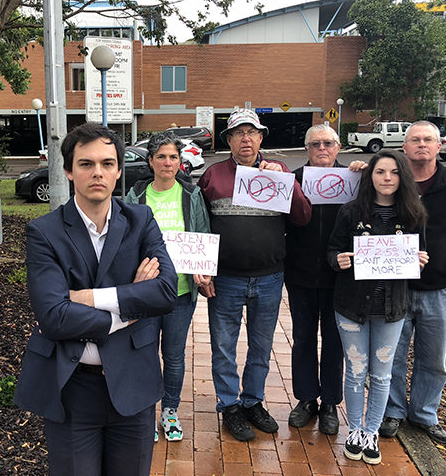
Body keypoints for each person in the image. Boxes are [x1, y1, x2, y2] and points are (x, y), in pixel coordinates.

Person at [13, 122, 178, 476]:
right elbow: (54, 317)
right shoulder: (44, 232)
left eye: (107, 163)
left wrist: (88, 297)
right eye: (86, 164)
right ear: (69, 171)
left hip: (133, 383)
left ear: (118, 171)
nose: (97, 172)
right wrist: (129, 308)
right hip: (72, 387)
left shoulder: (141, 220)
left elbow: (165, 291)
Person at [196, 108, 311, 441]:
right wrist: (204, 272)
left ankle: (252, 401)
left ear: (261, 138)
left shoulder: (279, 172)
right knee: (223, 347)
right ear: (229, 140)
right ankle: (230, 406)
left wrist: (287, 183)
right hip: (226, 279)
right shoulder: (213, 175)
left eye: (252, 133)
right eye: (238, 133)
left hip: (269, 277)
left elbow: (303, 217)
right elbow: (201, 226)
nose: (245, 139)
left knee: (261, 347)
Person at [327, 149, 428, 465]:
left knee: (382, 374)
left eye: (394, 172)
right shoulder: (350, 212)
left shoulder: (413, 215)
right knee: (356, 371)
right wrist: (338, 260)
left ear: (403, 177)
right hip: (351, 306)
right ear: (370, 177)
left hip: (391, 308)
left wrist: (420, 260)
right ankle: (354, 430)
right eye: (380, 171)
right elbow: (332, 251)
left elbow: (420, 254)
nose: (387, 178)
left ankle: (371, 431)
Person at [381, 121, 446, 445]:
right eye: (415, 140)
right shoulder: (391, 183)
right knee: (392, 357)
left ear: (439, 146)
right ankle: (393, 412)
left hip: (440, 291)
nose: (421, 144)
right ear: (404, 147)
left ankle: (424, 414)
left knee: (434, 360)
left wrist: (445, 261)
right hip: (395, 289)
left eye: (428, 139)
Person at [125, 131, 211, 442]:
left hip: (181, 293)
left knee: (174, 356)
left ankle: (170, 411)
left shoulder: (191, 194)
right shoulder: (135, 197)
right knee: (145, 355)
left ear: (180, 162)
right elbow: (125, 242)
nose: (167, 162)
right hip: (146, 293)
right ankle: (146, 413)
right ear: (150, 161)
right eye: (161, 156)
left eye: (173, 157)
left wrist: (203, 271)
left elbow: (202, 235)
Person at [284, 124, 367, 435]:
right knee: (303, 337)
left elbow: (384, 198)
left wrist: (367, 174)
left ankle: (331, 402)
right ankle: (306, 398)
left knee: (335, 341)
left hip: (340, 277)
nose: (322, 148)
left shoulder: (355, 180)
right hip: (300, 273)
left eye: (328, 143)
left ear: (338, 147)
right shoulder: (293, 180)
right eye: (315, 144)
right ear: (306, 149)